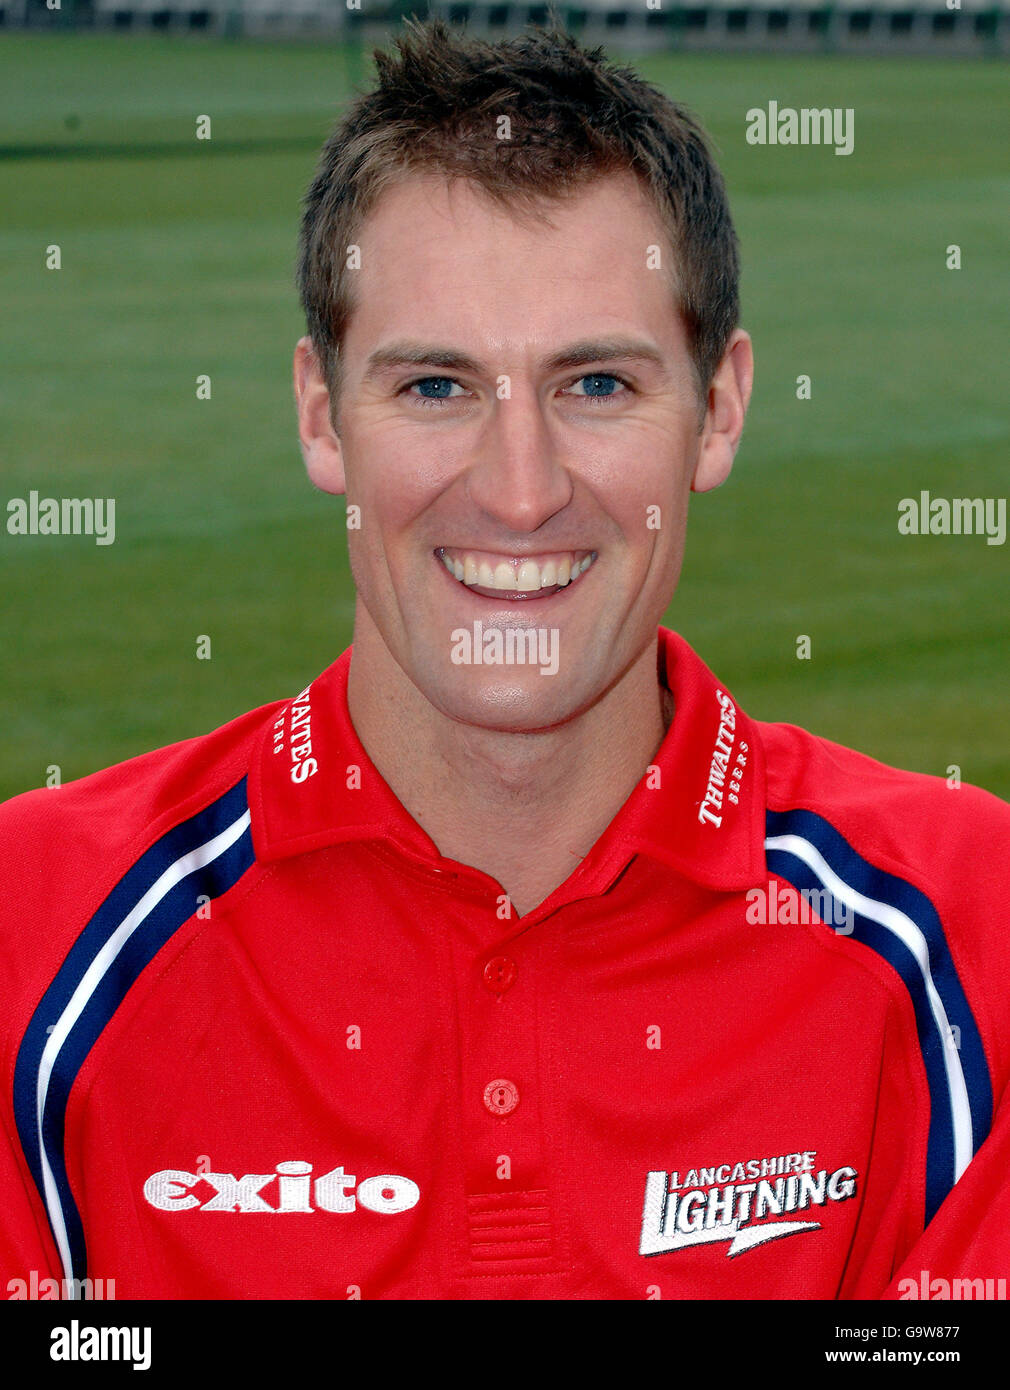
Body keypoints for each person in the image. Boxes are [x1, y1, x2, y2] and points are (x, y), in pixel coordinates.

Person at [2, 19, 1007, 1302]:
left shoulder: (976, 934)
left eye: (593, 383)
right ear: (320, 414)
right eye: (434, 386)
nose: (519, 493)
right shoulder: (29, 936)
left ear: (721, 408)